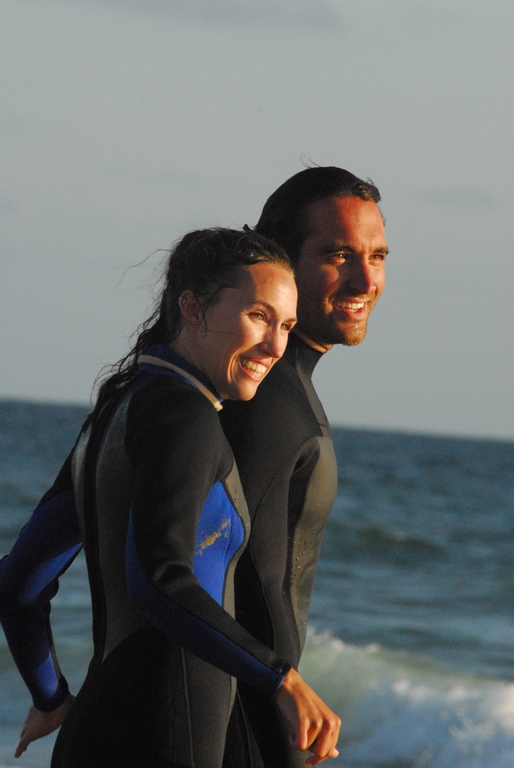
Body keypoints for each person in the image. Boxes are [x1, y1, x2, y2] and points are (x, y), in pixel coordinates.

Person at [0, 228, 341, 768]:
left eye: (287, 326)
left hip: (93, 731)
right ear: (193, 308)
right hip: (166, 738)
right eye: (258, 316)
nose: (276, 347)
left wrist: (51, 697)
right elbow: (159, 580)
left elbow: (19, 583)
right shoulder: (187, 419)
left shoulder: (115, 413)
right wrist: (280, 679)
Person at [220, 167, 388, 767]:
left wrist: (50, 691)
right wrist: (281, 692)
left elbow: (24, 576)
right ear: (280, 262)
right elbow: (249, 585)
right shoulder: (271, 403)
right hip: (227, 732)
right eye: (338, 255)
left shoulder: (173, 391)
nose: (365, 278)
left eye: (377, 255)